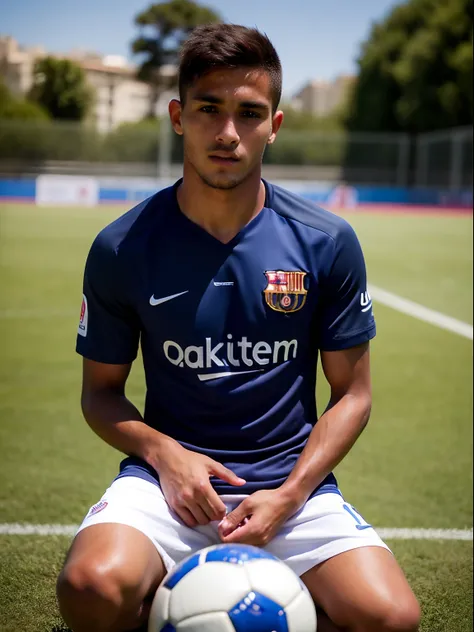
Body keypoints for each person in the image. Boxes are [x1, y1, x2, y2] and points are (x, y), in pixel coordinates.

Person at [56, 23, 421, 632]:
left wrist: (290, 494)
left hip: (289, 485)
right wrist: (165, 456)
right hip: (164, 487)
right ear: (178, 116)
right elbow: (100, 394)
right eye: (208, 109)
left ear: (274, 126)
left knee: (391, 619)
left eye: (249, 113)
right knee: (90, 587)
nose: (228, 132)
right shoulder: (121, 247)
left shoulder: (325, 242)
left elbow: (353, 394)